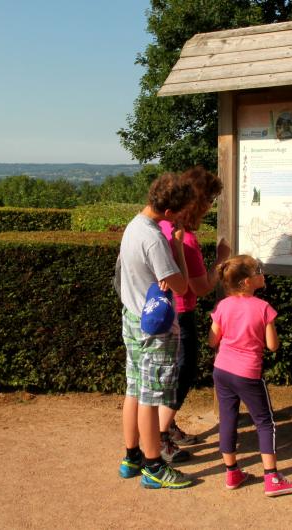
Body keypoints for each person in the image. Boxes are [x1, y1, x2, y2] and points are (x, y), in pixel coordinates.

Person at [116, 171, 195, 489]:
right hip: (155, 328)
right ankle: (153, 466)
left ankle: (131, 457)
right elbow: (182, 285)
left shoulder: (134, 226)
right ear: (168, 212)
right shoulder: (154, 238)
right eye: (180, 213)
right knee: (150, 397)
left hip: (132, 318)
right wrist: (176, 249)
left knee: (134, 390)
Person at [207, 254, 292, 495]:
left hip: (222, 369)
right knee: (264, 421)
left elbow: (212, 339)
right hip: (248, 373)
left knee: (227, 419)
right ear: (246, 282)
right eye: (257, 271)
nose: (262, 273)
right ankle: (272, 478)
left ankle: (232, 472)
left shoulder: (223, 305)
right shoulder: (263, 308)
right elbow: (272, 345)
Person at [157, 167, 231, 460]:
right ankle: (161, 438)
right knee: (182, 375)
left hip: (163, 313)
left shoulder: (163, 227)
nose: (211, 206)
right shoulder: (185, 239)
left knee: (167, 376)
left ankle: (166, 427)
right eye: (210, 199)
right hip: (181, 314)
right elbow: (200, 287)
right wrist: (222, 261)